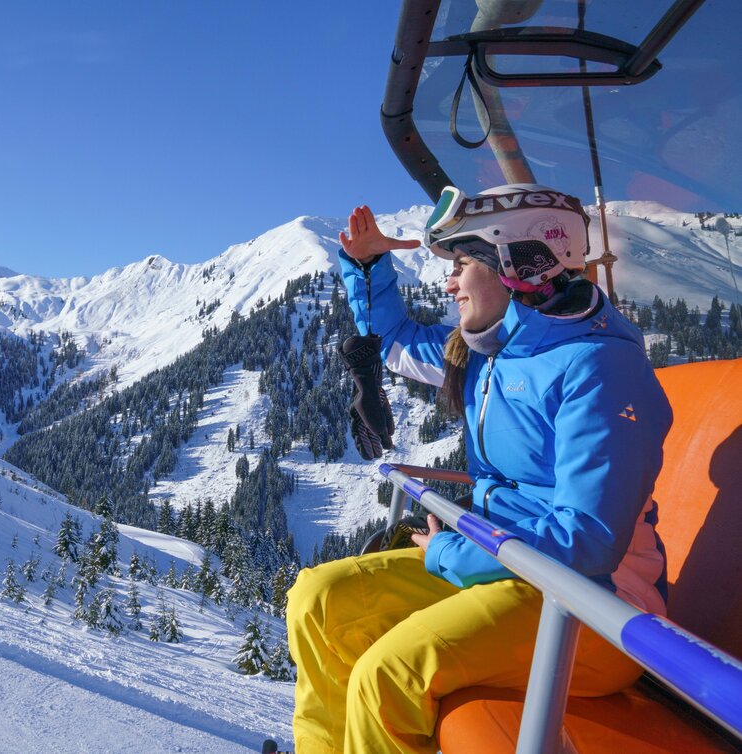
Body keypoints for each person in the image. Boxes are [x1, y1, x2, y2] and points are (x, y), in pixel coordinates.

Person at [286, 184, 673, 754]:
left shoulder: (600, 367)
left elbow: (588, 541)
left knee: (390, 674)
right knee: (317, 599)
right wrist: (367, 266)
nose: (448, 283)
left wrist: (452, 552)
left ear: (517, 264)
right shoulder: (488, 353)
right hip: (509, 566)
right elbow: (393, 342)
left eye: (460, 265)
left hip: (596, 606)